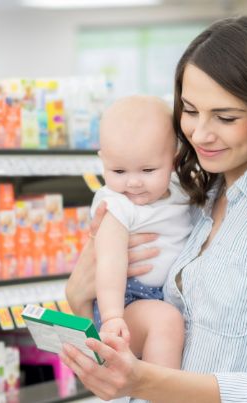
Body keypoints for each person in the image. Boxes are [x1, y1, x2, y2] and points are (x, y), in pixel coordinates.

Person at [61, 15, 247, 402]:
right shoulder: (198, 194)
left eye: (225, 117)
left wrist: (145, 380)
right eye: (190, 111)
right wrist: (80, 300)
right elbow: (129, 360)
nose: (200, 134)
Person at [90, 95, 191, 371]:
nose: (133, 182)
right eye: (118, 170)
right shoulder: (116, 204)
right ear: (103, 161)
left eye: (148, 170)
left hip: (167, 294)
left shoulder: (182, 192)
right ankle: (162, 393)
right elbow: (110, 260)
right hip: (128, 300)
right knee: (165, 321)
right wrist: (112, 317)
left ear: (174, 159)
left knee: (168, 321)